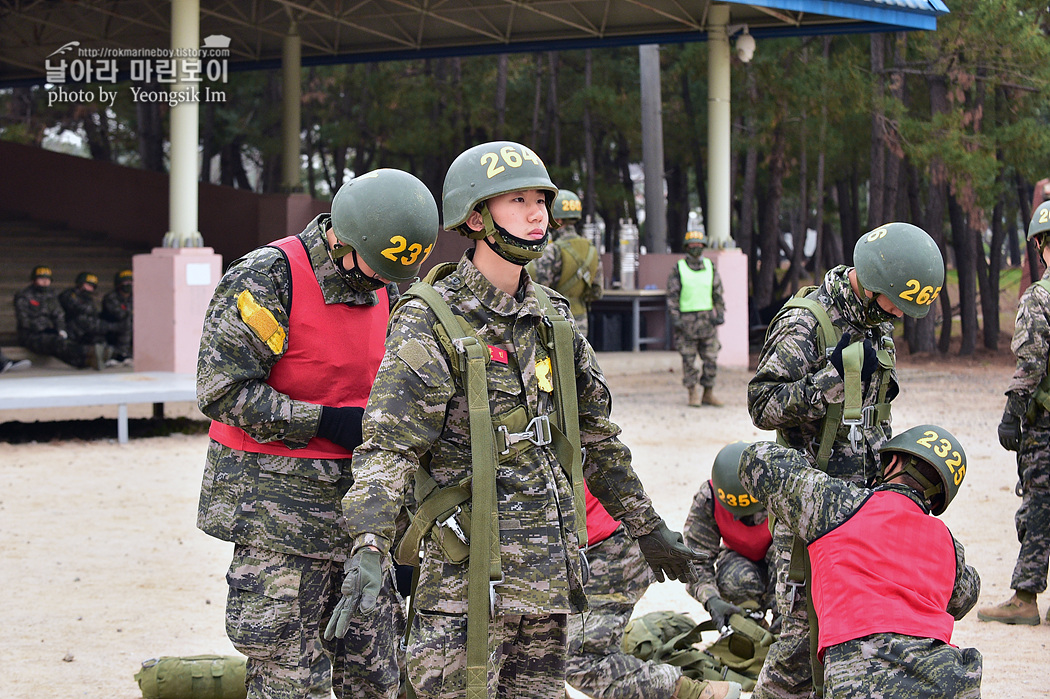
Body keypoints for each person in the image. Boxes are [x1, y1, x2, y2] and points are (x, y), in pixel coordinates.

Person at [329, 141, 728, 699]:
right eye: (517, 199)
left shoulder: (554, 320)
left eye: (540, 198)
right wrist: (369, 542)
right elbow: (388, 448)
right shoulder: (431, 320)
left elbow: (599, 443)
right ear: (475, 216)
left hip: (549, 581)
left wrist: (647, 527)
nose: (538, 211)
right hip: (467, 589)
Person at [195, 168, 440, 699]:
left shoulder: (383, 283)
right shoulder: (267, 278)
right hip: (275, 517)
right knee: (289, 677)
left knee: (379, 673)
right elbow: (221, 390)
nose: (379, 284)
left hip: (359, 515)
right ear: (340, 238)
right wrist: (327, 422)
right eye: (371, 270)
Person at [747, 222, 945, 699]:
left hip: (865, 508)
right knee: (799, 641)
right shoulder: (808, 322)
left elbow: (875, 417)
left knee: (846, 635)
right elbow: (762, 403)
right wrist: (826, 386)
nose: (899, 314)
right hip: (811, 505)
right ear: (874, 282)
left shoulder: (878, 325)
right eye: (897, 302)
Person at [738, 425, 982, 698]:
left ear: (892, 463)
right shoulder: (949, 544)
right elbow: (965, 596)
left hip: (865, 678)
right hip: (947, 681)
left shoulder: (841, 505)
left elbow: (755, 460)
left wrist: (812, 470)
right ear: (938, 500)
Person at [565, 483, 742, 699]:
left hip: (606, 549)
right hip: (559, 556)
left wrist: (649, 529)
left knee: (580, 660)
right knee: (531, 647)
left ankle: (693, 692)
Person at [979, 198, 1050, 626]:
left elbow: (1032, 361)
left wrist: (1013, 413)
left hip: (1046, 425)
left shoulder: (1041, 297)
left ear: (1040, 245)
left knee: (1039, 505)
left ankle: (1025, 598)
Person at [683, 442, 775, 627]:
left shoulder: (781, 492)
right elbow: (695, 561)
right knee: (734, 580)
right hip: (740, 559)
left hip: (784, 561)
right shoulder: (709, 498)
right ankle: (750, 629)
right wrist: (711, 600)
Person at [526, 188, 603, 337]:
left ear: (558, 220)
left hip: (554, 319)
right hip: (581, 321)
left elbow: (534, 288)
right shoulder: (591, 250)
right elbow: (597, 291)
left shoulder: (551, 250)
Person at [667, 228, 726, 407]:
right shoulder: (679, 268)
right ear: (686, 247)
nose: (696, 248)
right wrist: (675, 317)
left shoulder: (710, 266)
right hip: (686, 323)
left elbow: (717, 292)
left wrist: (720, 312)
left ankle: (708, 393)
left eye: (699, 245)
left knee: (711, 359)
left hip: (707, 321)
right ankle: (692, 393)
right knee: (689, 360)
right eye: (692, 245)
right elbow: (672, 296)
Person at [14, 264, 108, 370]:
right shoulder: (24, 295)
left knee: (64, 339)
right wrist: (47, 330)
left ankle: (87, 360)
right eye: (41, 278)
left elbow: (59, 314)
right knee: (56, 342)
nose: (45, 282)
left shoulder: (51, 295)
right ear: (33, 280)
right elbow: (24, 320)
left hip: (51, 333)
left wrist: (61, 329)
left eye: (47, 279)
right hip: (31, 335)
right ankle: (87, 354)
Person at [59, 271, 118, 367]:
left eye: (92, 287)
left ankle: (103, 356)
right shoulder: (69, 294)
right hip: (71, 329)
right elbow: (77, 309)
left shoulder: (89, 299)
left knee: (100, 335)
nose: (90, 289)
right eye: (88, 285)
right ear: (80, 284)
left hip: (86, 330)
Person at [102, 269, 134, 365]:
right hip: (112, 327)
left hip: (130, 328)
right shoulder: (111, 297)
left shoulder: (135, 296)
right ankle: (121, 354)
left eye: (131, 282)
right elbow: (119, 314)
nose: (128, 284)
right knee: (127, 322)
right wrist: (131, 312)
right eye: (125, 282)